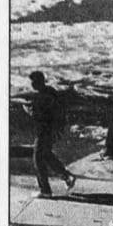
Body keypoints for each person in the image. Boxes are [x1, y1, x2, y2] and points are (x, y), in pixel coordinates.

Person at [23, 70, 75, 198]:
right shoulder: (50, 92)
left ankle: (45, 190)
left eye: (33, 82)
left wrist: (27, 109)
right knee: (46, 155)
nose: (32, 85)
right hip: (52, 130)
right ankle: (67, 176)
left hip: (45, 131)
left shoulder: (42, 97)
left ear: (37, 83)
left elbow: (38, 115)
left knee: (38, 159)